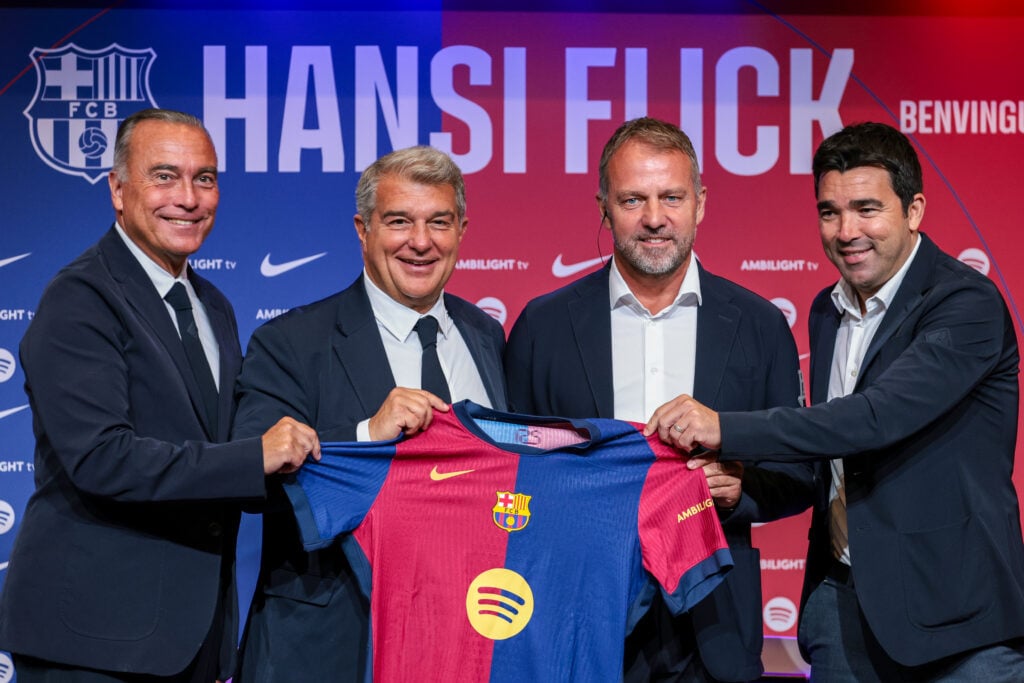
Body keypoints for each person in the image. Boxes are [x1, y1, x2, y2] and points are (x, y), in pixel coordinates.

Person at [660, 122, 1024, 681]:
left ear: (914, 210)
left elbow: (875, 417)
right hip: (842, 608)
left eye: (866, 209)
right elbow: (826, 462)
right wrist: (742, 485)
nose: (847, 231)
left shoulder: (966, 304)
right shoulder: (826, 311)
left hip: (957, 621)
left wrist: (724, 428)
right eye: (829, 212)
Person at [0, 108, 319, 682]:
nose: (188, 198)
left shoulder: (213, 305)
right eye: (165, 176)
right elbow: (102, 458)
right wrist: (255, 457)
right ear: (118, 190)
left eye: (204, 178)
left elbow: (226, 449)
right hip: (93, 641)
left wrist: (361, 440)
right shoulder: (80, 297)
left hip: (188, 638)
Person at [504, 117, 816, 682]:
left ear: (700, 203)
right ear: (604, 208)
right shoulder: (542, 328)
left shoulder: (760, 325)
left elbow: (800, 474)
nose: (654, 218)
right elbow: (510, 475)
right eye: (633, 199)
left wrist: (740, 489)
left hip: (714, 625)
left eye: (671, 197)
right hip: (576, 620)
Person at [232, 145, 508, 682]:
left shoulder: (486, 336)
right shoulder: (290, 342)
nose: (420, 242)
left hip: (465, 639)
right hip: (332, 647)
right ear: (363, 230)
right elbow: (252, 483)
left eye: (439, 222)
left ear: (462, 231)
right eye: (399, 221)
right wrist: (364, 436)